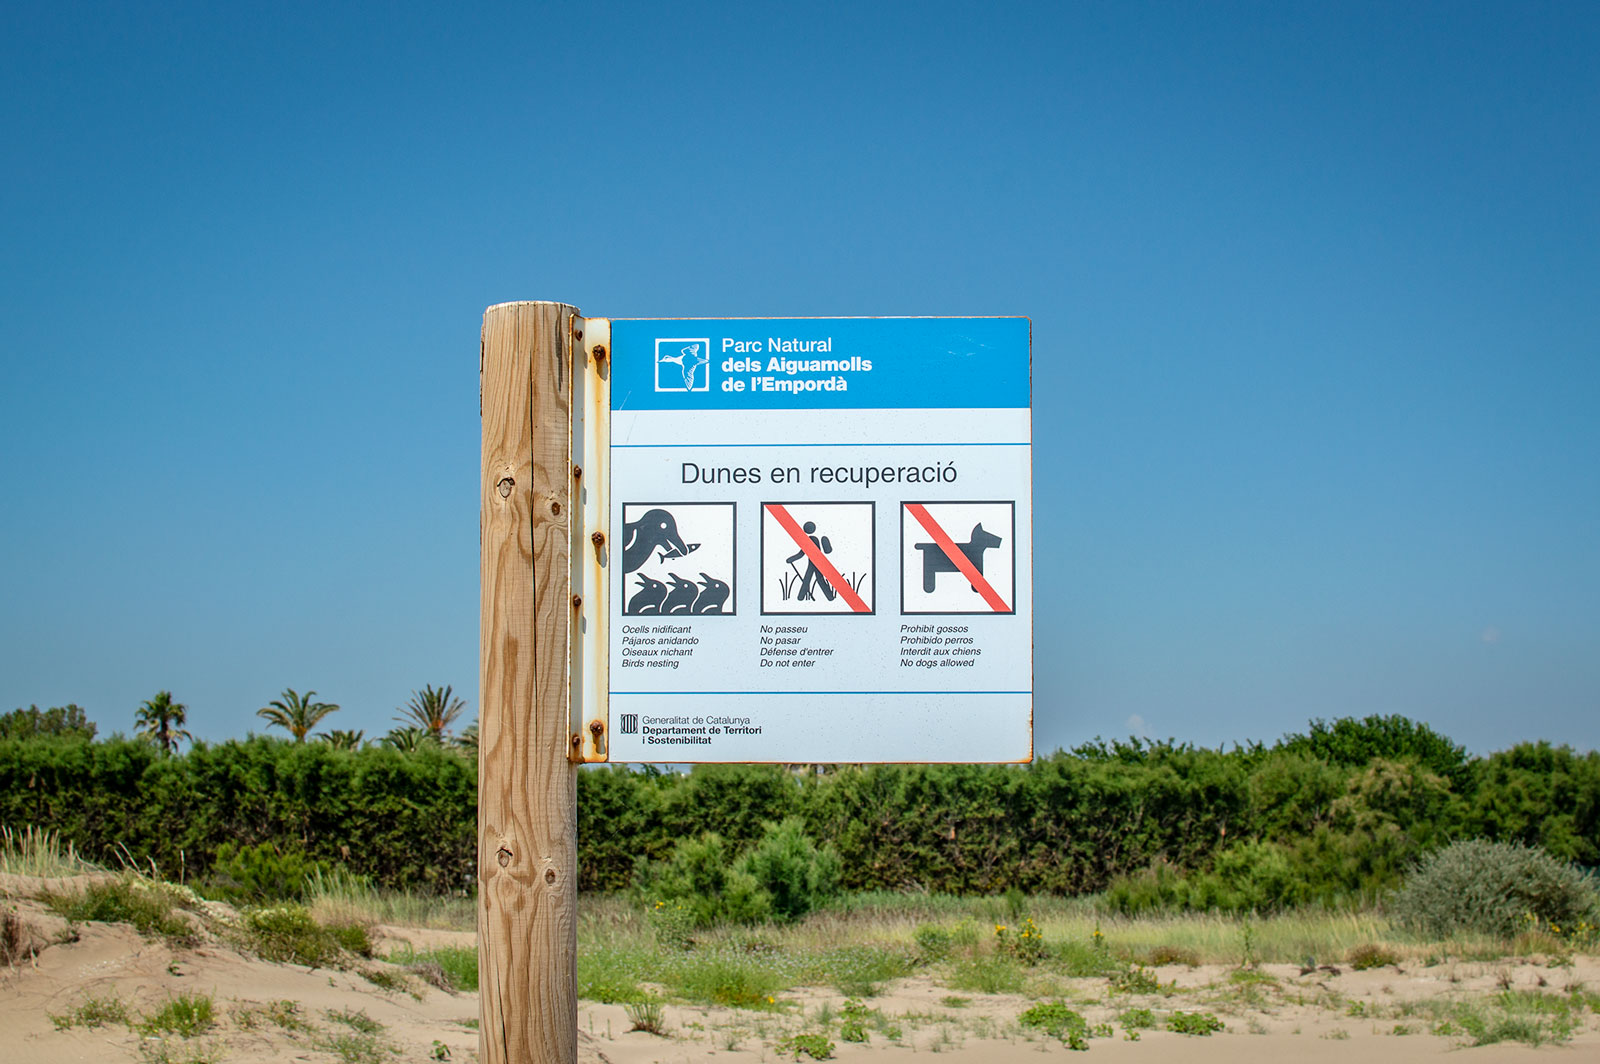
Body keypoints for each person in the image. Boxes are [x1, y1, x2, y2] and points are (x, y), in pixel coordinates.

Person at [786, 521, 835, 601]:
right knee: (816, 579)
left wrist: (791, 559)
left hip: (815, 562)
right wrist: (790, 559)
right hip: (815, 562)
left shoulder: (810, 540)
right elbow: (802, 553)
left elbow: (801, 554)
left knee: (810, 579)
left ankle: (801, 597)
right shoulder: (814, 539)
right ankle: (829, 597)